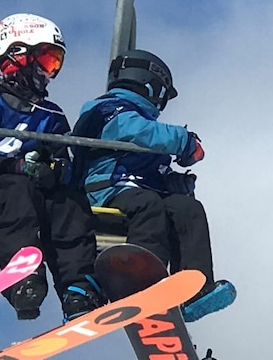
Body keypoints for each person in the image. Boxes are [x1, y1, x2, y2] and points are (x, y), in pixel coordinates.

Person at [0, 13, 104, 322]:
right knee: (15, 188)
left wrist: (56, 171)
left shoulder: (51, 114)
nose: (48, 71)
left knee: (67, 199)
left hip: (34, 187)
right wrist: (14, 165)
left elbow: (65, 159)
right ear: (16, 55)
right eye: (45, 59)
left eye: (55, 63)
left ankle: (78, 287)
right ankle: (24, 278)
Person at [71, 49, 236, 322]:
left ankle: (194, 287)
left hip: (138, 191)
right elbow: (135, 130)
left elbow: (150, 167)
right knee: (148, 206)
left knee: (186, 208)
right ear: (151, 86)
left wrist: (175, 183)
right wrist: (184, 140)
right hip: (106, 190)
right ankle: (142, 278)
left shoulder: (141, 123)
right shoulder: (107, 110)